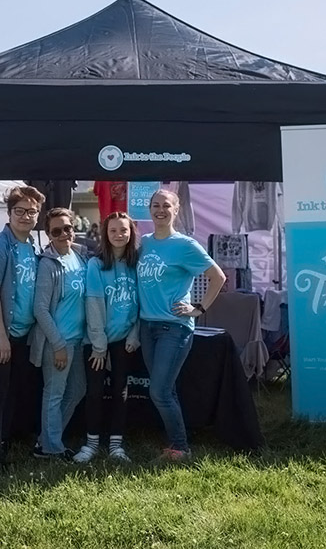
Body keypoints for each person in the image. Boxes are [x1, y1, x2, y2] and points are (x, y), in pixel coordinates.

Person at [137, 189, 225, 461]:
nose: (160, 210)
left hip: (174, 327)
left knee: (159, 391)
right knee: (166, 389)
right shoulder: (144, 242)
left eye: (166, 205)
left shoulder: (186, 245)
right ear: (149, 209)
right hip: (147, 327)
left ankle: (180, 448)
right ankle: (177, 444)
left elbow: (218, 277)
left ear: (176, 210)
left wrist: (198, 308)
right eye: (155, 205)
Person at [0, 185, 46, 473]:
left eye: (31, 211)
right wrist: (1, 337)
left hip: (20, 332)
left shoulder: (30, 246)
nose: (25, 216)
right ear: (10, 212)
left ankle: (2, 439)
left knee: (13, 390)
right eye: (20, 211)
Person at [74, 212, 140, 463]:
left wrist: (135, 335)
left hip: (125, 340)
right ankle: (91, 443)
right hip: (96, 341)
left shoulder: (136, 263)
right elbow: (94, 307)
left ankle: (116, 445)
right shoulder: (96, 264)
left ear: (131, 232)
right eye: (113, 231)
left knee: (120, 391)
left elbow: (141, 305)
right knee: (94, 391)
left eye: (123, 230)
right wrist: (99, 346)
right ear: (106, 234)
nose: (119, 235)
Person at [29, 207, 88, 459]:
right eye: (57, 231)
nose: (64, 234)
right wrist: (58, 344)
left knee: (77, 390)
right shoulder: (47, 264)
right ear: (48, 234)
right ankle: (51, 449)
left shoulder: (79, 256)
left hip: (77, 340)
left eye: (68, 228)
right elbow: (40, 309)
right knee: (54, 395)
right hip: (58, 342)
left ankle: (46, 439)